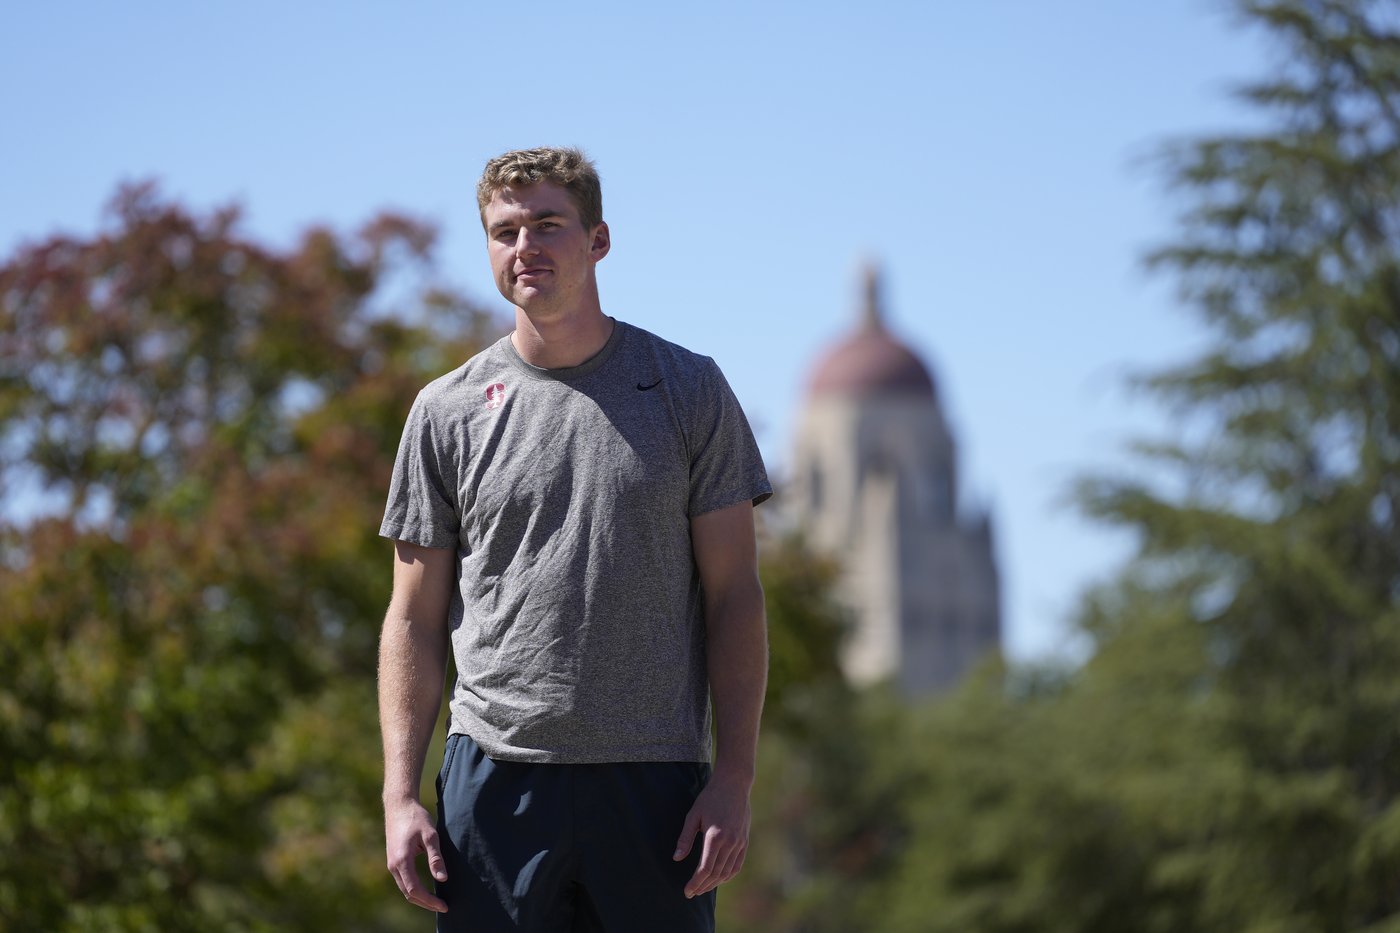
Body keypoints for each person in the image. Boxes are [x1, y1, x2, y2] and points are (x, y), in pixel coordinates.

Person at [377, 146, 771, 932]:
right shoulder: (445, 411)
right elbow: (412, 619)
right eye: (504, 231)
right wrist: (398, 793)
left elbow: (735, 595)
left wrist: (734, 776)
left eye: (548, 224)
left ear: (598, 241)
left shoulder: (688, 389)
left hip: (656, 781)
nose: (525, 247)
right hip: (493, 776)